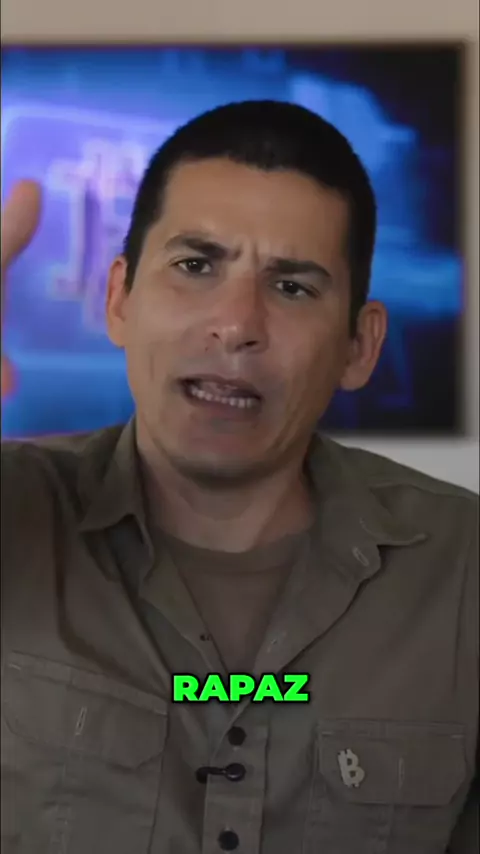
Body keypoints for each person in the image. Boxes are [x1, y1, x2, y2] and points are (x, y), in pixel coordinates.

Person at [1, 100, 478, 854]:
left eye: (292, 287)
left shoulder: (464, 567)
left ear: (359, 346)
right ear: (119, 297)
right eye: (195, 266)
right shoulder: (15, 513)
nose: (237, 324)